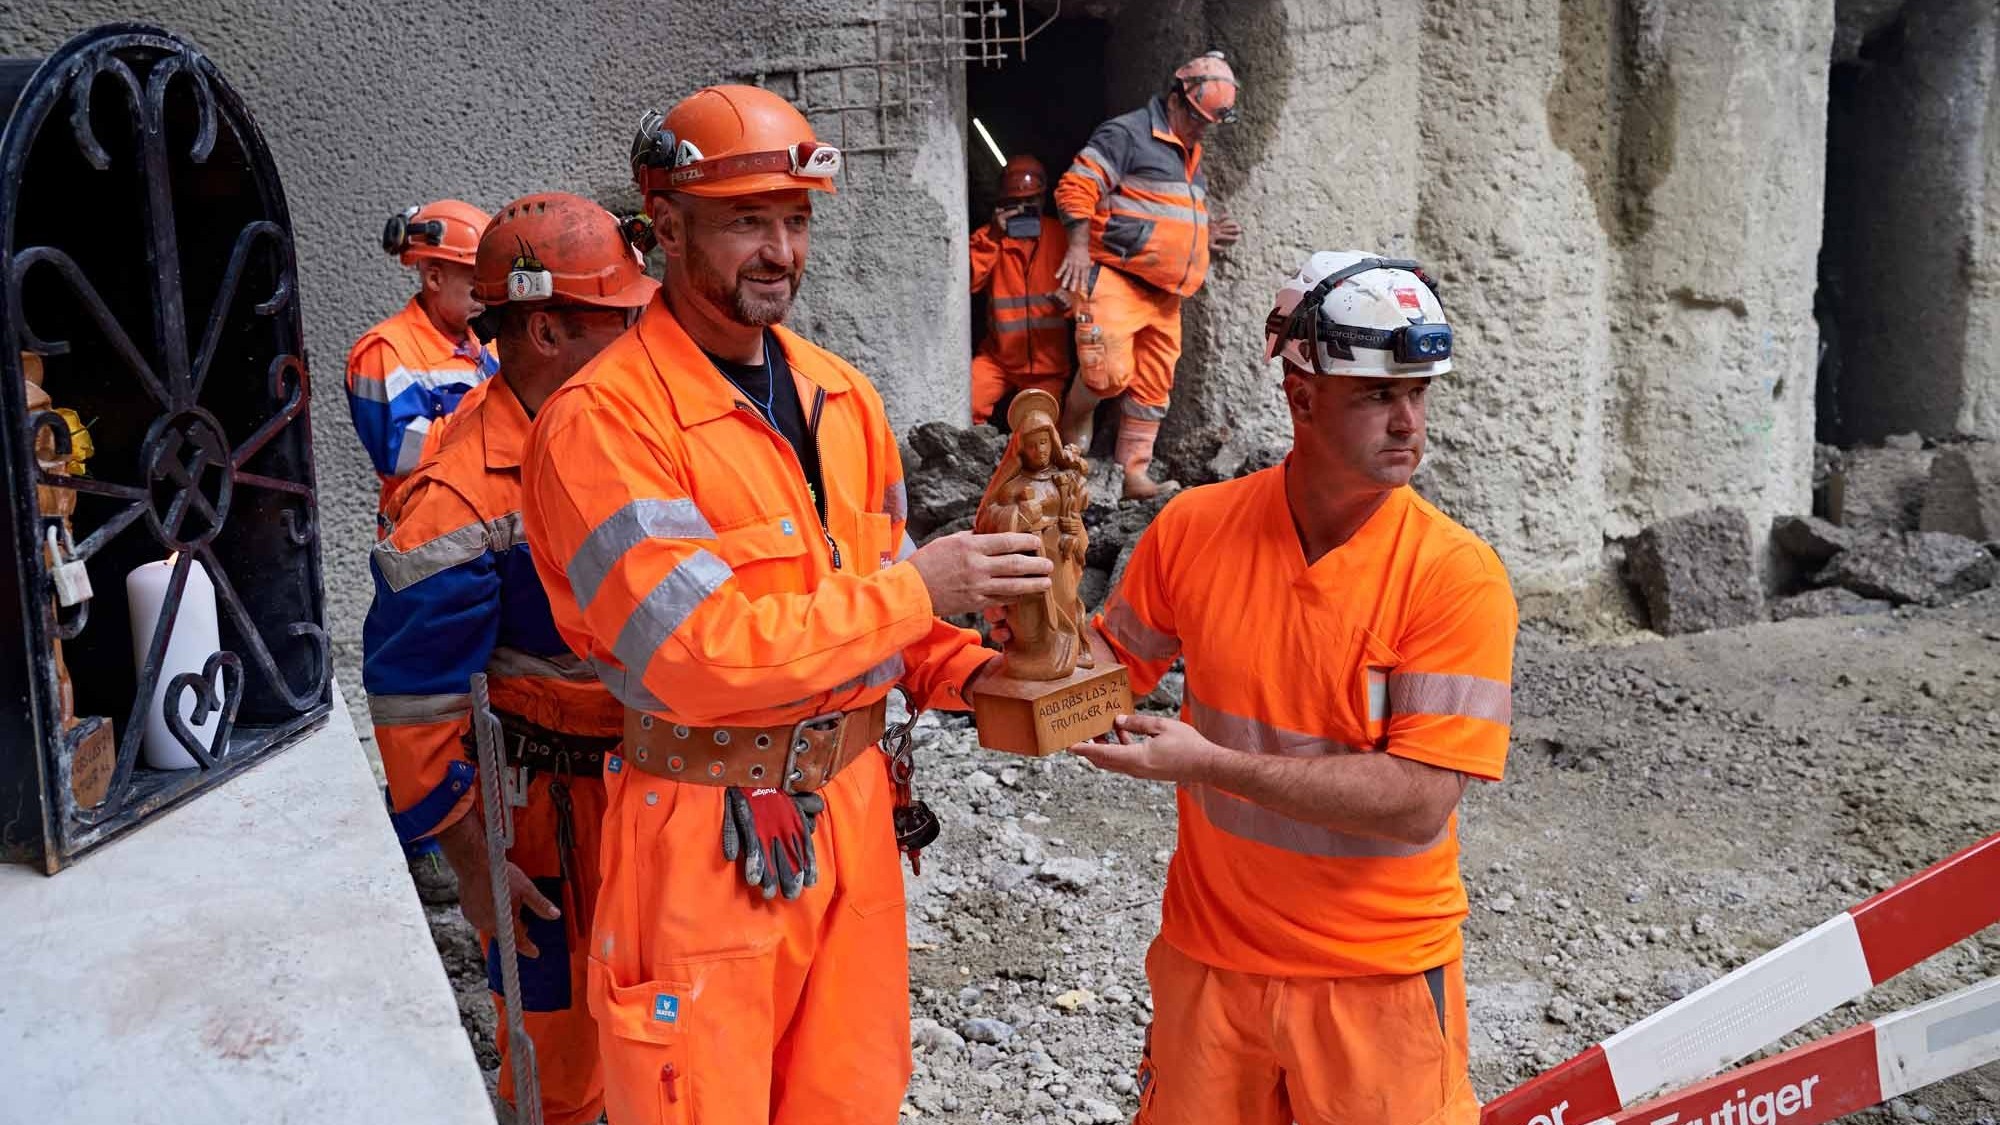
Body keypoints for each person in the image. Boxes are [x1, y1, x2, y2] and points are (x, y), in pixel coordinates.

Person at [518, 85, 1052, 1125]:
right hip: (699, 835)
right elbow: (696, 655)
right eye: (745, 222)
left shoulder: (840, 397)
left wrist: (1000, 679)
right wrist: (917, 593)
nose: (778, 251)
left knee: (848, 1099)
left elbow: (889, 615)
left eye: (795, 221)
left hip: (851, 815)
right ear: (664, 226)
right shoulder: (604, 424)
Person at [1070, 251, 1516, 1124]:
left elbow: (1419, 799)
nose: (1408, 423)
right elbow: (1097, 674)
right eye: (1377, 397)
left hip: (1375, 980)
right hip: (1211, 969)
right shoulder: (1194, 530)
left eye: (1419, 393)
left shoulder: (1455, 578)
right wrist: (1022, 613)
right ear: (1302, 397)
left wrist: (1210, 763)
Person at [363, 193, 657, 1125]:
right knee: (558, 1052)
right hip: (544, 821)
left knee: (660, 1022)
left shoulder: (630, 436)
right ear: (543, 332)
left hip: (652, 794)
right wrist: (476, 864)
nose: (644, 341)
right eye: (619, 324)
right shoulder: (460, 495)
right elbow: (413, 701)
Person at [1052, 50, 1245, 499]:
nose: (1202, 130)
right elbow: (1077, 186)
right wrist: (1078, 250)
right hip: (1117, 279)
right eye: (1198, 119)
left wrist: (1203, 237)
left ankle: (1133, 474)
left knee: (1153, 387)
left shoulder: (1188, 152)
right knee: (1106, 375)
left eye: (1208, 124)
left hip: (1165, 296)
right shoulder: (1128, 133)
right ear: (1178, 98)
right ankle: (1067, 457)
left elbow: (1162, 213)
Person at [347, 198, 499, 537]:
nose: (487, 297)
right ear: (434, 278)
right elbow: (398, 455)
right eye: (477, 284)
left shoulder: (490, 344)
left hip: (488, 537)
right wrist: (495, 411)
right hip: (424, 547)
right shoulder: (385, 350)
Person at [973, 390, 1091, 680]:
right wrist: (1021, 515)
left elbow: (1074, 510)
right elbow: (988, 516)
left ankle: (1072, 650)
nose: (1039, 451)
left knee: (1064, 601)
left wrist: (1074, 529)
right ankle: (1032, 655)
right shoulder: (1015, 486)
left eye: (1043, 443)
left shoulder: (1062, 479)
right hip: (1028, 558)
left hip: (1060, 555)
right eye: (1031, 445)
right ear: (1020, 450)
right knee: (1028, 614)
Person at [968, 154, 1072, 425]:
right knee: (965, 403)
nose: (1023, 209)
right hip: (998, 360)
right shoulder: (988, 238)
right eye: (1015, 203)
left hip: (1046, 368)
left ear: (1043, 199)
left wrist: (1072, 302)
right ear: (1002, 204)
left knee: (1040, 434)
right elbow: (966, 282)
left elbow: (1092, 292)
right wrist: (993, 236)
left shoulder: (1063, 238)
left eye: (1031, 202)